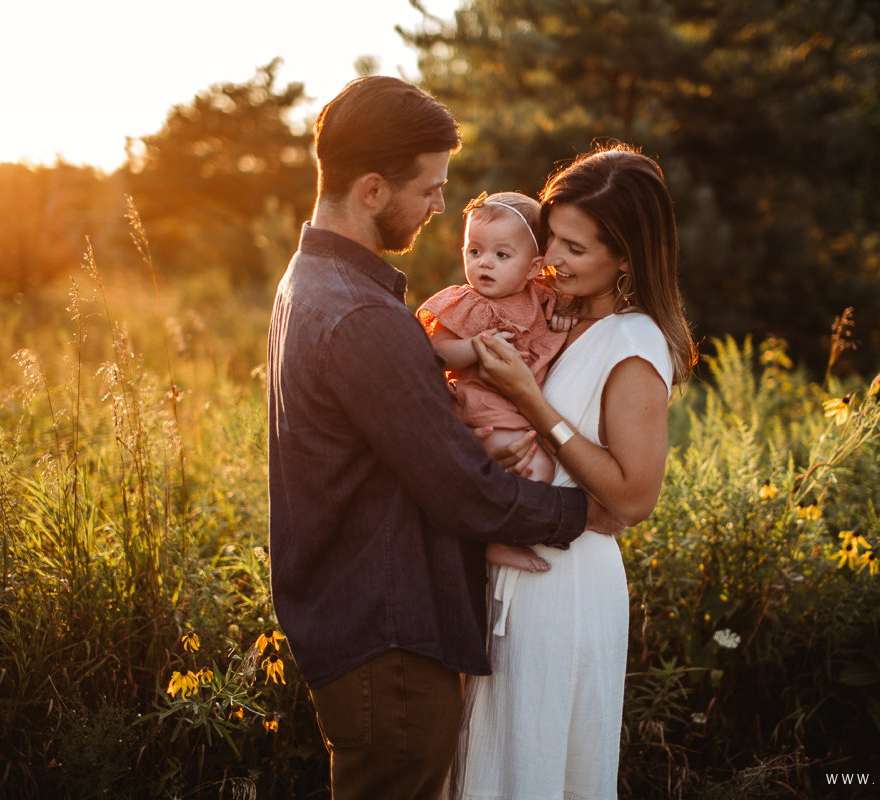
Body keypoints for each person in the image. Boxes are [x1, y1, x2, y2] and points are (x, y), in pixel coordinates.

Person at [265, 76, 619, 800]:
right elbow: (462, 487)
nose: (436, 206)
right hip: (388, 641)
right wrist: (585, 514)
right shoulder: (361, 317)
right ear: (371, 190)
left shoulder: (311, 281)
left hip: (365, 626)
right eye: (429, 189)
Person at [450, 144, 698, 798]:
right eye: (551, 236)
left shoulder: (633, 345)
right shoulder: (560, 313)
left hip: (565, 585)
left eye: (576, 248)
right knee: (494, 761)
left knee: (536, 765)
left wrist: (530, 404)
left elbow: (634, 496)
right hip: (513, 564)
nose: (552, 258)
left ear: (626, 256)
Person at [417, 190, 572, 576]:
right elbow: (438, 354)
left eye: (502, 256)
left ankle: (496, 535)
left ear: (534, 267)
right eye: (474, 251)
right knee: (538, 469)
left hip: (517, 414)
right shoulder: (463, 303)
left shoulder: (540, 299)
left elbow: (565, 314)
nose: (484, 263)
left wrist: (564, 318)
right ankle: (499, 541)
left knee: (536, 470)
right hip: (481, 413)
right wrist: (474, 346)